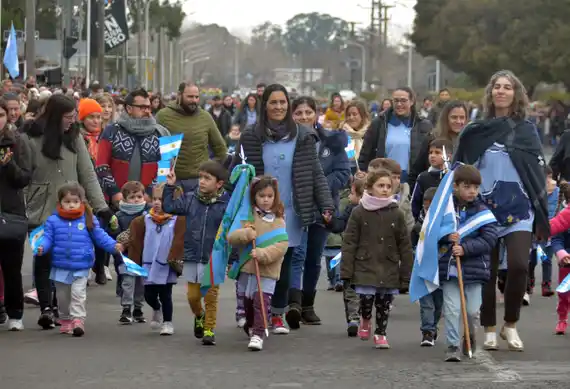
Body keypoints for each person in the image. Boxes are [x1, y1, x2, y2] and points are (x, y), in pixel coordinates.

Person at [453, 70, 549, 352]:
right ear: (491, 92)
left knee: (519, 265)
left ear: (515, 94)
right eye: (497, 87)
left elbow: (536, 169)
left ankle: (510, 324)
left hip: (520, 208)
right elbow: (462, 168)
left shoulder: (527, 130)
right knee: (487, 271)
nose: (502, 91)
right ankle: (490, 329)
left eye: (507, 87)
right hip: (483, 209)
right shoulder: (476, 130)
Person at [230, 83, 334, 334]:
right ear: (264, 105)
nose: (278, 107)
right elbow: (237, 171)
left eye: (282, 102)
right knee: (255, 262)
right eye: (273, 102)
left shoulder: (303, 135)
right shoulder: (251, 136)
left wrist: (326, 204)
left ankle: (276, 315)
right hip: (259, 210)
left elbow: (315, 172)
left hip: (291, 210)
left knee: (284, 262)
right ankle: (252, 311)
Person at [23, 94, 113, 330]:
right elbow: (22, 174)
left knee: (61, 261)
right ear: (54, 116)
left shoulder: (75, 138)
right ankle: (46, 309)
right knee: (42, 258)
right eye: (67, 117)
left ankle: (58, 306)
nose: (72, 120)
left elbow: (87, 173)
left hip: (71, 209)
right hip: (40, 208)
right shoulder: (30, 138)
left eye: (74, 116)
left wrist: (101, 207)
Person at [288, 96, 350, 327]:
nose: (304, 117)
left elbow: (343, 173)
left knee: (314, 259)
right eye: (299, 113)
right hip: (296, 206)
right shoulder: (287, 141)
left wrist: (319, 185)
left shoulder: (332, 143)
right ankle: (292, 303)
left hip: (323, 207)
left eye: (308, 112)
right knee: (296, 254)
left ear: (316, 114)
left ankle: (307, 305)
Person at [37, 182, 122, 337]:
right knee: (62, 297)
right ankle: (65, 319)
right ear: (60, 203)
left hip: (81, 265)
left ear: (81, 202)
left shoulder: (88, 219)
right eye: (67, 202)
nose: (71, 205)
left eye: (75, 202)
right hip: (60, 265)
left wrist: (113, 246)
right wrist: (42, 247)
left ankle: (78, 320)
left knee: (78, 294)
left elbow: (100, 236)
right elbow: (47, 238)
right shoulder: (53, 221)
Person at [340, 170, 413, 349]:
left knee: (384, 302)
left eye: (388, 186)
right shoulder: (359, 212)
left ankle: (381, 333)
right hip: (365, 263)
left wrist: (406, 273)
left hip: (388, 264)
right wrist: (346, 270)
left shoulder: (396, 213)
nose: (385, 189)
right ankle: (365, 319)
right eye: (381, 186)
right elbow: (349, 242)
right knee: (366, 299)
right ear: (370, 188)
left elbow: (404, 244)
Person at [162, 160, 229, 345]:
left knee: (211, 295)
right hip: (192, 254)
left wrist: (231, 256)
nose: (202, 181)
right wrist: (170, 186)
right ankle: (199, 315)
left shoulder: (226, 203)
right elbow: (169, 207)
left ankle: (209, 329)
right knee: (193, 296)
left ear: (219, 183)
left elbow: (231, 229)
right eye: (200, 177)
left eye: (207, 178)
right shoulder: (190, 198)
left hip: (214, 256)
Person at [439, 165, 499, 361]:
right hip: (450, 269)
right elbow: (430, 233)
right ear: (455, 186)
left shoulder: (484, 211)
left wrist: (466, 248)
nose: (472, 191)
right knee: (452, 309)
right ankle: (452, 346)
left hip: (474, 271)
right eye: (467, 186)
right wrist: (446, 237)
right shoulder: (445, 209)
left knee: (472, 311)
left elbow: (490, 239)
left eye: (475, 187)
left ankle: (469, 335)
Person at [227, 176, 289, 351]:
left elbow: (281, 246)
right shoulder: (247, 217)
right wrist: (246, 234)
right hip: (248, 268)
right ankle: (251, 326)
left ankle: (258, 334)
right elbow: (231, 237)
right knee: (248, 303)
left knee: (261, 301)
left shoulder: (279, 220)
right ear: (254, 196)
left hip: (268, 269)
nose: (266, 200)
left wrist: (262, 254)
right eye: (262, 196)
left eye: (270, 196)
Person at [128, 184, 185, 336]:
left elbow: (182, 240)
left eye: (161, 199)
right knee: (149, 295)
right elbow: (133, 236)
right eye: (154, 199)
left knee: (166, 294)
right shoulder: (145, 220)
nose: (158, 202)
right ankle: (156, 308)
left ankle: (168, 322)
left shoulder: (176, 220)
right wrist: (123, 244)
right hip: (148, 263)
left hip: (167, 264)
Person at [96, 88, 169, 206]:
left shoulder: (160, 133)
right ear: (129, 108)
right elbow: (101, 166)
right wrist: (115, 193)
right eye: (142, 107)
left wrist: (149, 193)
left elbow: (165, 167)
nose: (146, 111)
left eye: (148, 107)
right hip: (116, 202)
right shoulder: (112, 131)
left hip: (148, 203)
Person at [156, 83, 227, 194]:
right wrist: (162, 179)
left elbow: (221, 149)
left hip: (198, 182)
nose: (194, 100)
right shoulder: (163, 116)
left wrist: (210, 169)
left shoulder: (205, 117)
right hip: (172, 182)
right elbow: (155, 150)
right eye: (190, 97)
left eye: (196, 97)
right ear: (179, 95)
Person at [0, 98, 32, 331]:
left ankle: (15, 314)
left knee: (12, 266)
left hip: (10, 211)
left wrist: (8, 165)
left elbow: (24, 178)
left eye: (1, 115)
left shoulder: (17, 142)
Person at [358, 87, 432, 186]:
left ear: (412, 101)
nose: (399, 104)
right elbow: (366, 152)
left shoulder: (423, 125)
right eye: (396, 100)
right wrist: (364, 173)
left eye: (403, 100)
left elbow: (428, 154)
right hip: (383, 180)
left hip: (412, 181)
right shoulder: (379, 123)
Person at [324, 176, 365, 336]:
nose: (349, 197)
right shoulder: (350, 208)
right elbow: (340, 224)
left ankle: (359, 317)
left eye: (352, 193)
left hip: (364, 256)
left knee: (359, 289)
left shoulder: (372, 212)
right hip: (349, 254)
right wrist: (330, 221)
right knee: (350, 287)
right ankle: (354, 319)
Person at [408, 101, 468, 191]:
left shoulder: (468, 140)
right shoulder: (432, 138)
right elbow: (417, 170)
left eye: (462, 117)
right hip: (433, 193)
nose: (458, 121)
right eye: (454, 117)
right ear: (446, 118)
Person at [116, 181, 151, 324]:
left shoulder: (148, 214)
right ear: (124, 199)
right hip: (127, 256)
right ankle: (126, 308)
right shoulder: (119, 215)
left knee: (141, 284)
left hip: (143, 255)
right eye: (132, 197)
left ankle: (138, 308)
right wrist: (118, 241)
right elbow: (114, 233)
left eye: (139, 196)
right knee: (127, 283)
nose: (136, 200)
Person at [367, 158, 414, 233]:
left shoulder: (403, 196)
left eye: (398, 177)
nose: (397, 181)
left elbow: (409, 223)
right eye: (394, 177)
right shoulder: (371, 197)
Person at [410, 138, 454, 221]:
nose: (432, 155)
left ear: (449, 156)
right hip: (426, 222)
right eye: (430, 152)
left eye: (437, 152)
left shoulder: (453, 176)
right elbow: (415, 203)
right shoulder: (423, 177)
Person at [550, 181, 570, 335]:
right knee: (564, 294)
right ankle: (562, 318)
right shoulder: (564, 215)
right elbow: (556, 239)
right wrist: (562, 253)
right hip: (567, 262)